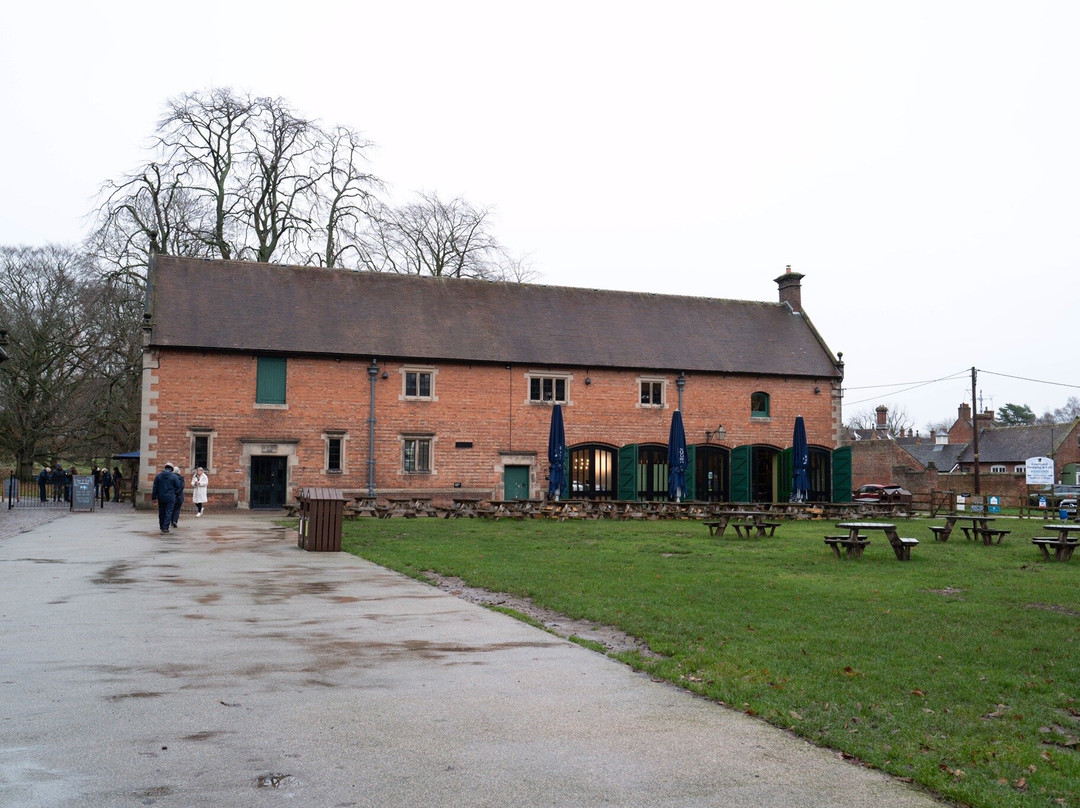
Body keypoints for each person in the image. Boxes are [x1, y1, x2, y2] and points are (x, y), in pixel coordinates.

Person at [151, 463, 178, 534]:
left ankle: (161, 526)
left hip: (161, 497)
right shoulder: (174, 476)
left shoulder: (158, 476)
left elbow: (155, 487)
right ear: (171, 469)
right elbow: (178, 486)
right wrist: (175, 493)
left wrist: (154, 497)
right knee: (169, 512)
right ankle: (166, 527)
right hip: (170, 497)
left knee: (161, 512)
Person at [169, 463, 185, 528]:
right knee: (177, 509)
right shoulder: (181, 478)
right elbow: (182, 487)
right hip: (179, 496)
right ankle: (175, 521)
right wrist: (178, 492)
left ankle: (171, 521)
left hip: (171, 495)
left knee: (170, 509)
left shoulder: (170, 478)